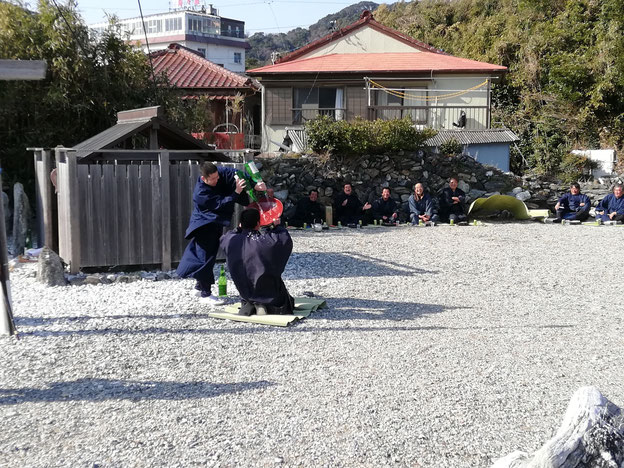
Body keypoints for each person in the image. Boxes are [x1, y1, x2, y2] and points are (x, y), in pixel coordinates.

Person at [176, 162, 265, 305]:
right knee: (205, 257)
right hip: (204, 224)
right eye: (213, 179)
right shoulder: (200, 192)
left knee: (202, 254)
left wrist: (255, 183)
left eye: (217, 177)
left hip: (215, 223)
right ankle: (205, 294)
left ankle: (199, 287)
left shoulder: (220, 173)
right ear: (204, 178)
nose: (217, 180)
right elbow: (221, 203)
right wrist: (236, 192)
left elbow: (238, 174)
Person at [221, 208, 294, 316]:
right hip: (269, 293)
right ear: (258, 224)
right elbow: (283, 239)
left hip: (245, 291)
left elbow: (228, 235)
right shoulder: (267, 241)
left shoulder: (231, 240)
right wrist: (277, 226)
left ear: (241, 223)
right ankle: (263, 303)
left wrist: (239, 228)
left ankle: (251, 302)